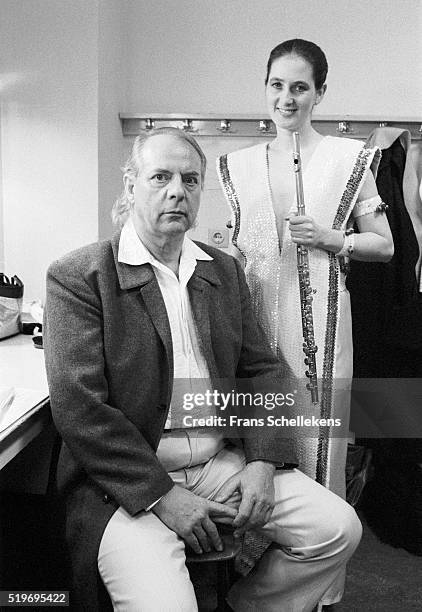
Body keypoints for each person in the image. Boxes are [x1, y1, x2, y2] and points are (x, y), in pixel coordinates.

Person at [44, 127, 362, 612]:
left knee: (338, 530)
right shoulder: (81, 276)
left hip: (219, 465)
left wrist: (262, 459)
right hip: (129, 482)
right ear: (131, 185)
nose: (177, 191)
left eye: (190, 180)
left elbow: (260, 370)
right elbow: (80, 408)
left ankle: (248, 605)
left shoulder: (222, 269)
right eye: (161, 177)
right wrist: (162, 497)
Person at [217, 39, 394, 608]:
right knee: (258, 450)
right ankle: (255, 577)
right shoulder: (236, 165)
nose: (286, 98)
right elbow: (236, 246)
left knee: (320, 446)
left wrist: (331, 237)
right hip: (254, 330)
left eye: (299, 86)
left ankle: (317, 587)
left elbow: (386, 246)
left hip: (323, 326)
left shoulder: (350, 159)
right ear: (264, 88)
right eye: (277, 85)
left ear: (320, 91)